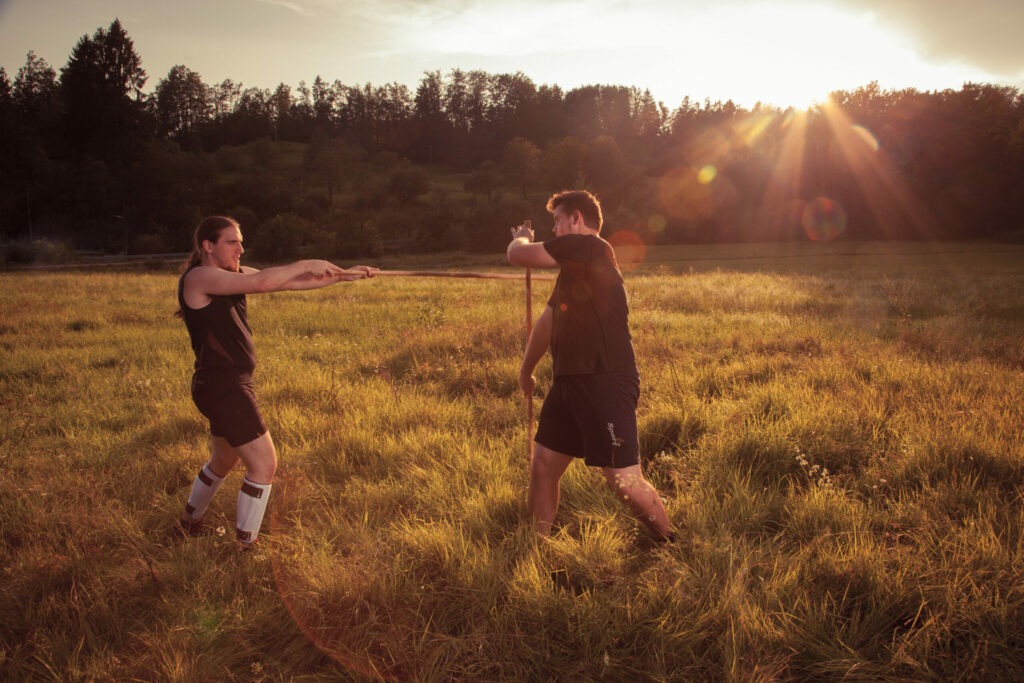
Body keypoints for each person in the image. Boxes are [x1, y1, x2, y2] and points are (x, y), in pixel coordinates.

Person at [175, 215, 377, 549]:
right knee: (264, 464)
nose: (241, 248)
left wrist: (345, 275)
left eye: (241, 240)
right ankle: (245, 548)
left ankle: (188, 523)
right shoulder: (199, 277)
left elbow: (290, 282)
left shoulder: (229, 276)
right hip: (224, 387)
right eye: (232, 241)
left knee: (224, 460)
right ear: (208, 246)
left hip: (221, 385)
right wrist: (308, 261)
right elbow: (265, 282)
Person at [507, 190, 674, 542]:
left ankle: (671, 541)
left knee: (623, 480)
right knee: (543, 468)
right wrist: (526, 370)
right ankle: (536, 548)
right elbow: (548, 322)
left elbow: (517, 254)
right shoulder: (574, 270)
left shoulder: (590, 247)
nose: (555, 228)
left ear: (578, 219)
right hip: (569, 383)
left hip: (604, 380)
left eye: (558, 220)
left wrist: (521, 237)